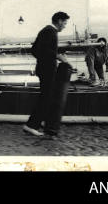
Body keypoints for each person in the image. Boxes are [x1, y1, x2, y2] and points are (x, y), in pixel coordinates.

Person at [24, 11, 72, 139]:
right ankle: (32, 125)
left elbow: (35, 49)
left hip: (43, 69)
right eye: (65, 23)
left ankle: (35, 124)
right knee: (46, 98)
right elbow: (42, 50)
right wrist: (57, 56)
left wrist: (51, 57)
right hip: (47, 71)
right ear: (60, 21)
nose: (65, 26)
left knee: (46, 97)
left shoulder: (46, 31)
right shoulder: (51, 32)